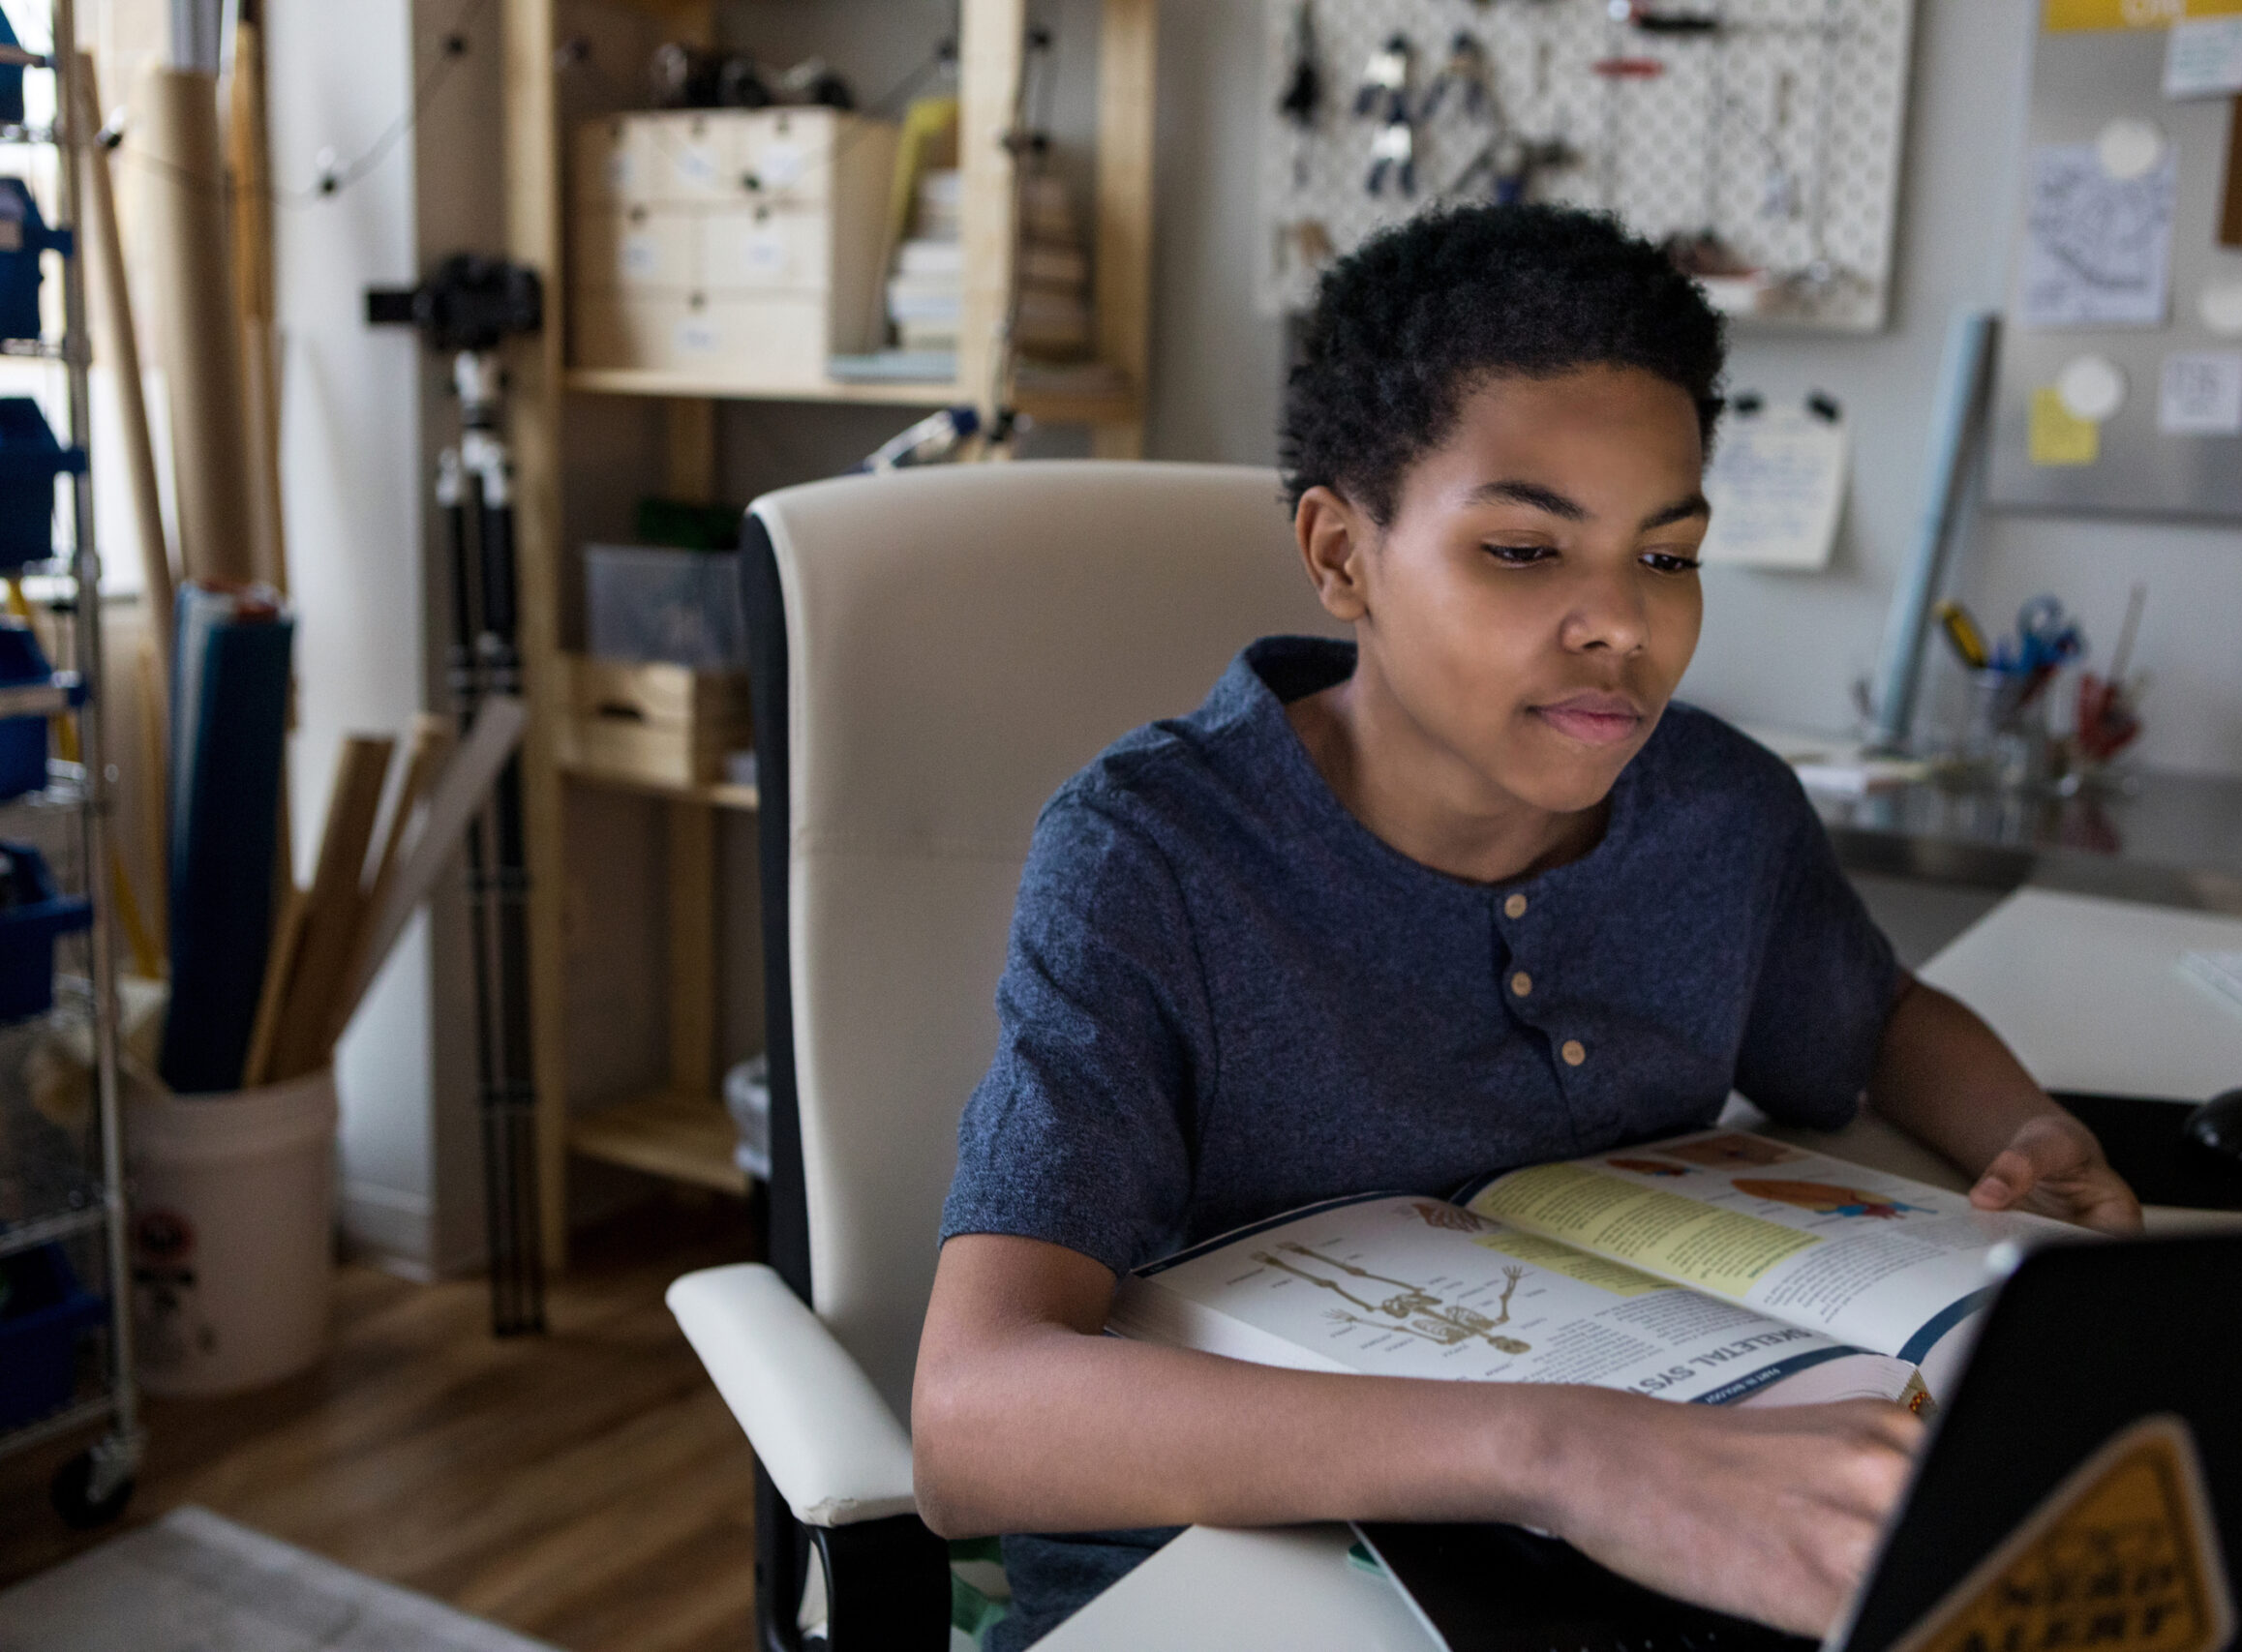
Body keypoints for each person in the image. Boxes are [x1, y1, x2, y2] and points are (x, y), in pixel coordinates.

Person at [913, 203, 2140, 1648]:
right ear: (1340, 555)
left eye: (1668, 556)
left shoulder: (1717, 809)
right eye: (1521, 552)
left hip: (1634, 1541)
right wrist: (1562, 1452)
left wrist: (2024, 1128)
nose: (1621, 625)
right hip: (1244, 1570)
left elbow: (1874, 1017)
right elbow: (973, 1412)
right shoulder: (1155, 856)